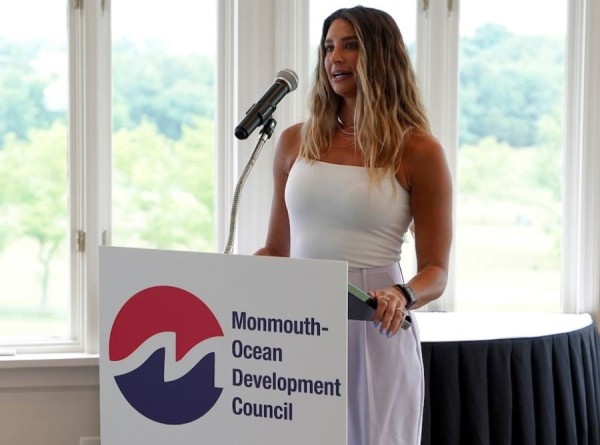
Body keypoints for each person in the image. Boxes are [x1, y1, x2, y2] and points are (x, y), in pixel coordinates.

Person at [255, 5, 452, 445]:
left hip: (375, 325)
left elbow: (436, 272)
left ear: (381, 56)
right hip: (299, 324)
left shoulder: (419, 150)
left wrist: (402, 295)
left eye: (350, 46)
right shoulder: (294, 141)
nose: (335, 58)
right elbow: (275, 250)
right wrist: (240, 274)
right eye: (328, 48)